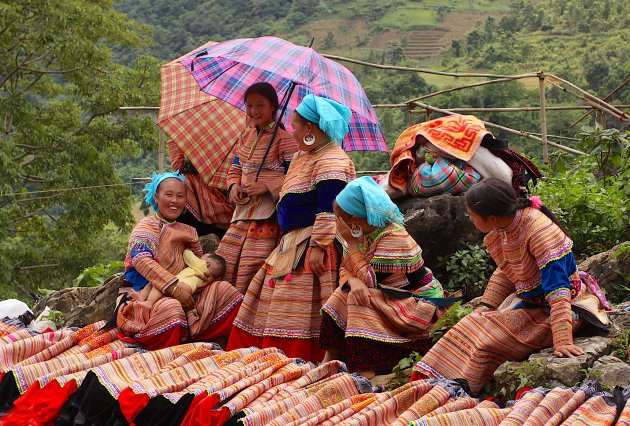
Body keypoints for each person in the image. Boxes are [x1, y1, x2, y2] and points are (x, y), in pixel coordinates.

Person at [413, 178, 611, 394]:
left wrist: (562, 340)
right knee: (470, 322)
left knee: (488, 339)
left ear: (491, 217)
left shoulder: (539, 232)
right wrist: (487, 305)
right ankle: (428, 382)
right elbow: (507, 270)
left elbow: (558, 290)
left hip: (565, 309)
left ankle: (456, 390)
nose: (470, 219)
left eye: (472, 214)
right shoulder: (506, 226)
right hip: (532, 303)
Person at [227, 94, 356, 362]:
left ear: (310, 128)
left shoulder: (330, 160)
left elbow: (328, 208)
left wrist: (319, 246)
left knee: (298, 309)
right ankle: (269, 357)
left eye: (295, 127)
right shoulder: (305, 155)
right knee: (269, 303)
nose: (292, 132)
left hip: (312, 245)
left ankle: (297, 359)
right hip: (292, 242)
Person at [320, 176, 447, 378]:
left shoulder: (393, 236)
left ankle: (366, 369)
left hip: (416, 302)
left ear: (354, 220)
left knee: (359, 298)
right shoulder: (361, 234)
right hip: (389, 297)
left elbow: (371, 281)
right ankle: (330, 357)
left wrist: (352, 249)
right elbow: (346, 269)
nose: (337, 224)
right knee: (340, 295)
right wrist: (353, 281)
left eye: (339, 218)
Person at [116, 172, 244, 350]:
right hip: (147, 293)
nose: (174, 201)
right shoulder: (146, 227)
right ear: (156, 197)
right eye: (169, 195)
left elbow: (197, 263)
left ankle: (215, 347)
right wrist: (174, 288)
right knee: (171, 309)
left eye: (180, 196)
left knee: (225, 291)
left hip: (187, 288)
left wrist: (205, 278)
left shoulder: (189, 231)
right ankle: (166, 353)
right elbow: (141, 260)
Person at [215, 82, 298, 294]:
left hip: (268, 217)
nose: (253, 111)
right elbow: (235, 168)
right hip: (242, 212)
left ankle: (248, 312)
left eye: (259, 105)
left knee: (252, 265)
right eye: (249, 105)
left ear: (273, 106)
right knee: (226, 259)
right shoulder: (246, 136)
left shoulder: (285, 140)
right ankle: (226, 306)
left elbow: (296, 176)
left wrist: (267, 186)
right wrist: (234, 186)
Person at [168, 141, 234, 238]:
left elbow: (177, 166)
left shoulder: (228, 167)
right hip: (204, 225)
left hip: (222, 226)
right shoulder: (187, 174)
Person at [128, 250, 226, 309]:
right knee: (155, 282)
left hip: (183, 285)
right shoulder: (207, 276)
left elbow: (187, 255)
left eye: (204, 256)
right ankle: (142, 296)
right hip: (189, 288)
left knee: (159, 283)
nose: (201, 256)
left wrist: (188, 249)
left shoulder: (202, 264)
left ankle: (149, 301)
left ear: (207, 262)